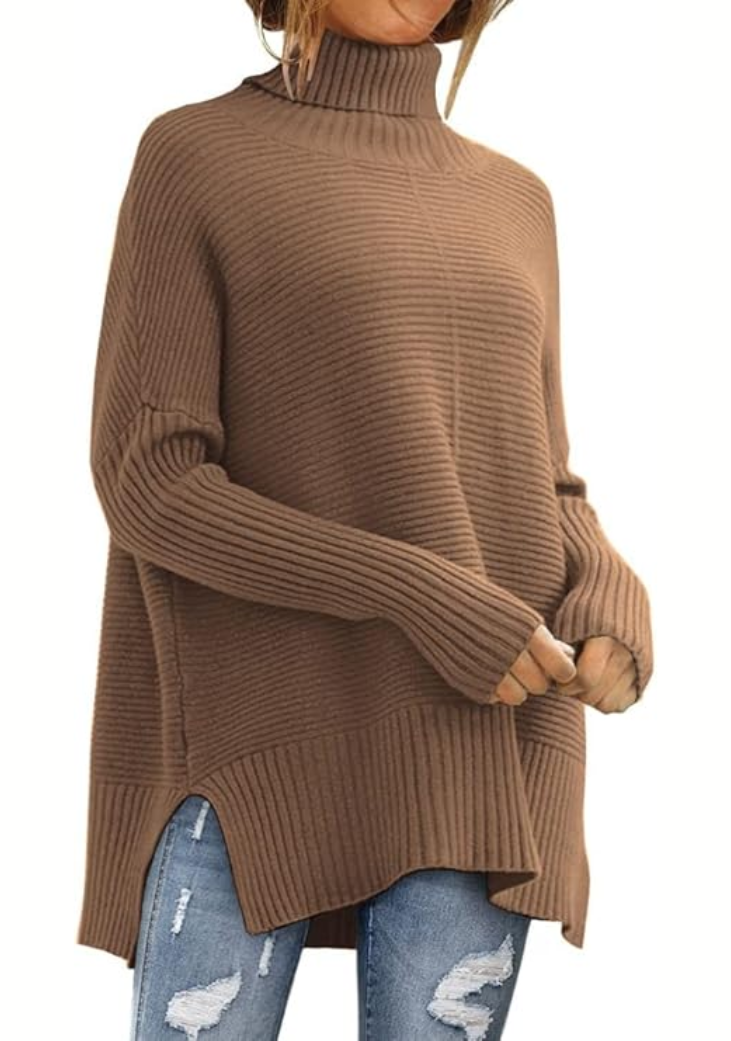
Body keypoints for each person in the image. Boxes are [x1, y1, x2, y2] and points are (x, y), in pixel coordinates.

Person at [77, 1, 654, 1038]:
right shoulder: (196, 156)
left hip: (474, 752)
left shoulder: (515, 199)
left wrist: (609, 592)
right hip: (256, 746)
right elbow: (150, 480)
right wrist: (421, 595)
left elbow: (540, 476)